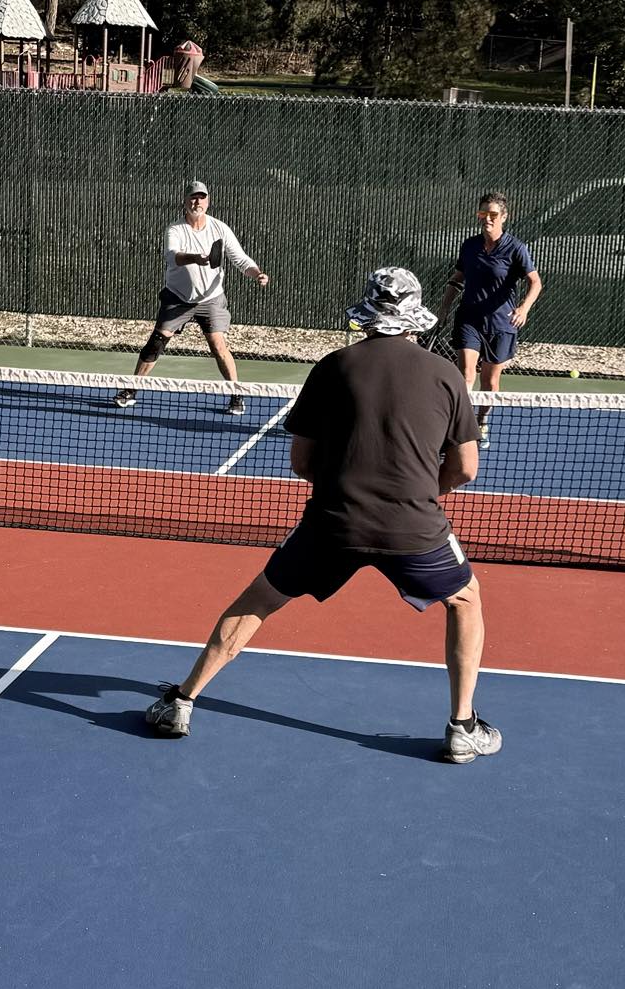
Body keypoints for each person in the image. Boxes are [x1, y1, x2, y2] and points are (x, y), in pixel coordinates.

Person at [143, 267, 501, 764]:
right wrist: (424, 494)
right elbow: (465, 468)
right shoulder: (445, 375)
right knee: (465, 600)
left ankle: (180, 702)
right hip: (416, 527)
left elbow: (302, 463)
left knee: (259, 599)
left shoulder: (332, 367)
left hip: (331, 523)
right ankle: (463, 726)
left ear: (368, 316)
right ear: (415, 319)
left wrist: (344, 492)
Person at [115, 180, 271, 416]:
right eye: (193, 197)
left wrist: (257, 273)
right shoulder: (175, 229)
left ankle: (236, 395)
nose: (197, 202)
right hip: (178, 298)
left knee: (218, 346)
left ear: (208, 202)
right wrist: (195, 258)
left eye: (202, 198)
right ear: (185, 201)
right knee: (156, 342)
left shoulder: (220, 228)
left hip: (211, 299)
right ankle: (132, 389)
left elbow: (240, 259)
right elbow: (172, 256)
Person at [434, 191, 542, 445]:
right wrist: (444, 308)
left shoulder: (516, 248)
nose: (487, 219)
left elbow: (535, 283)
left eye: (493, 214)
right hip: (469, 319)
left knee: (490, 382)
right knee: (466, 375)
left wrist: (523, 308)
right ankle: (460, 426)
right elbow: (457, 278)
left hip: (501, 325)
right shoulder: (470, 245)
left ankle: (481, 421)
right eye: (483, 213)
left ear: (504, 217)